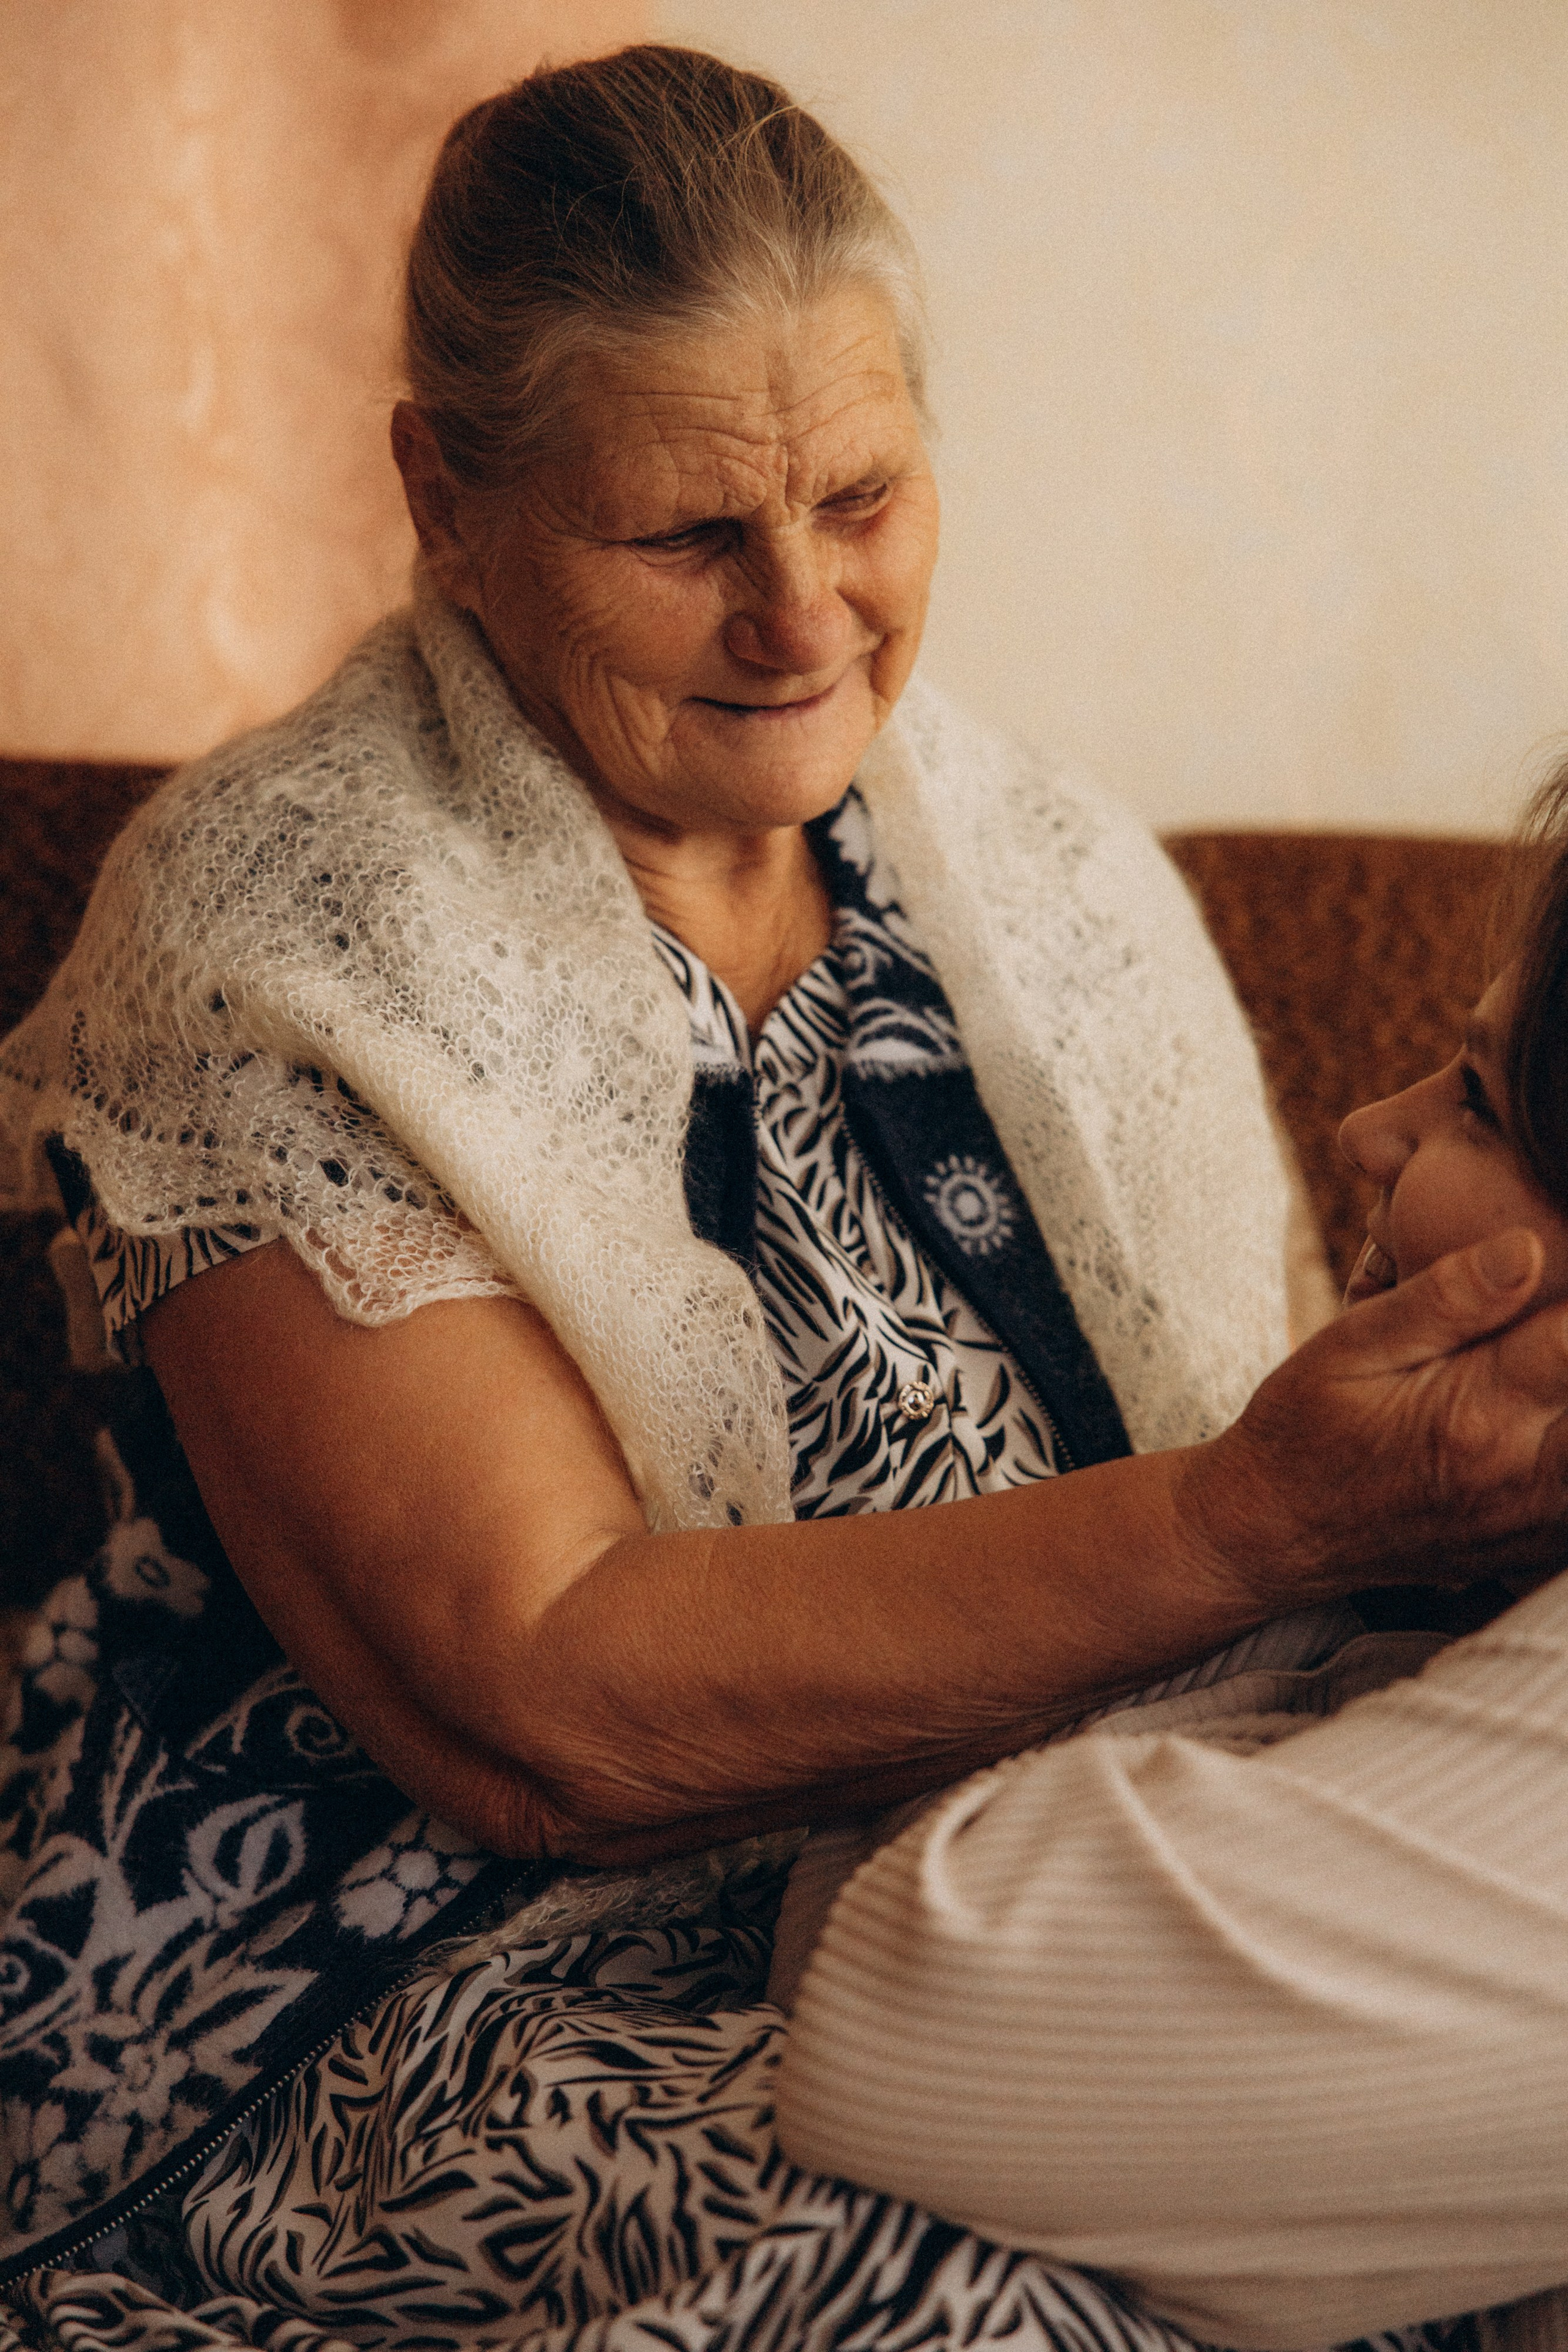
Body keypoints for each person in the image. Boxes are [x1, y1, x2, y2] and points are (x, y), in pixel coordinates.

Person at [0, 42, 1565, 2352]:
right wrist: (1268, 1521)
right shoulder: (267, 938)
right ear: (447, 492)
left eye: (863, 495)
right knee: (996, 2287)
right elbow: (538, 1711)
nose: (807, 616)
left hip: (1053, 1894)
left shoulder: (1056, 878)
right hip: (404, 1992)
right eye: (690, 535)